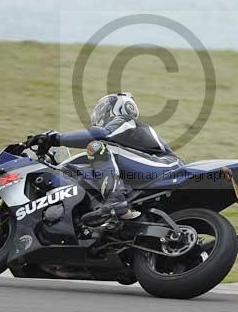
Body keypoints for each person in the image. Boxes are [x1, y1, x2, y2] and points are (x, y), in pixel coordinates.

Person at [25, 92, 177, 224]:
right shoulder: (124, 141)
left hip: (168, 166)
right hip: (155, 171)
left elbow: (98, 135)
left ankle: (116, 199)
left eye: (102, 111)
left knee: (97, 147)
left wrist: (54, 139)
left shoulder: (125, 121)